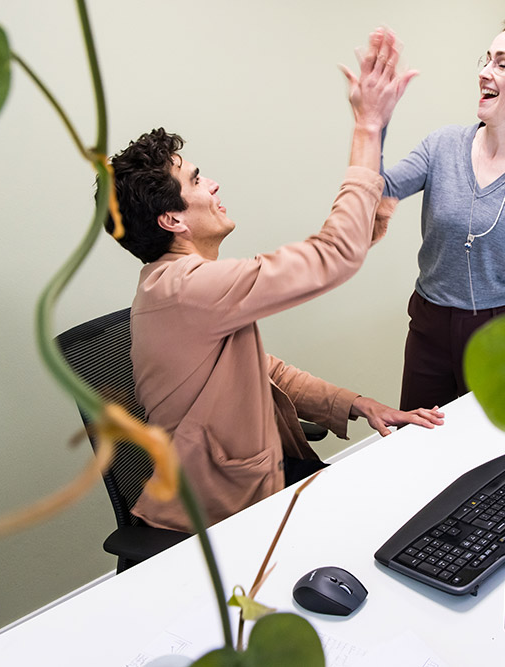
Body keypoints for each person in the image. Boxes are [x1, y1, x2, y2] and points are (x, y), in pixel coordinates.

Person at [104, 28, 442, 533]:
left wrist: (357, 404)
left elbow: (265, 372)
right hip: (224, 520)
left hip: (266, 481)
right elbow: (333, 257)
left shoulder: (186, 283)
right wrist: (368, 128)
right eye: (197, 180)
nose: (213, 183)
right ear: (171, 220)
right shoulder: (186, 290)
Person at [379, 21, 505, 412]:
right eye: (487, 59)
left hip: (503, 332)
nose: (484, 71)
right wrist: (374, 122)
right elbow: (378, 188)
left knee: (487, 459)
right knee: (415, 446)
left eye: (502, 64)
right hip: (429, 325)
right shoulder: (443, 145)